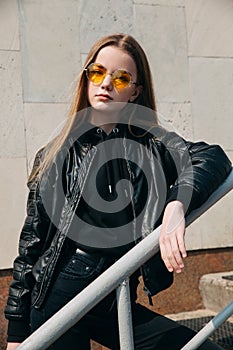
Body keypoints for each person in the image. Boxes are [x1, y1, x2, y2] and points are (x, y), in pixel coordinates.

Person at [5, 33, 231, 350]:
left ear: (135, 92)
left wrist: (177, 204)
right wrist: (16, 333)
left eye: (121, 77)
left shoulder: (151, 145)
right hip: (60, 297)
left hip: (115, 297)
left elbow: (213, 157)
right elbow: (31, 246)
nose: (106, 83)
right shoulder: (56, 154)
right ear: (86, 79)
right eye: (97, 72)